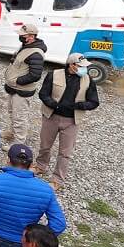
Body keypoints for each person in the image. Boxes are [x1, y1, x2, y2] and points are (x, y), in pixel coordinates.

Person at [36, 53, 99, 187]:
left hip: (72, 121)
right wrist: (53, 104)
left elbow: (94, 102)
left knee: (65, 153)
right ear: (71, 65)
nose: (84, 69)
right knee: (45, 145)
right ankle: (40, 166)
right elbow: (43, 94)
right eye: (81, 66)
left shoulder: (88, 80)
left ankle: (57, 180)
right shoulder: (53, 74)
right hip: (51, 117)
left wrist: (80, 106)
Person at [2, 25, 47, 145]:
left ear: (31, 37)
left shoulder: (36, 53)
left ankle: (18, 144)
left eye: (22, 35)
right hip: (14, 88)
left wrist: (17, 81)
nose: (20, 37)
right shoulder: (25, 46)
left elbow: (35, 75)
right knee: (12, 112)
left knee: (20, 118)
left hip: (21, 91)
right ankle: (12, 133)